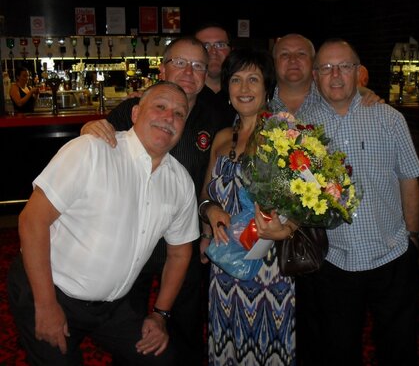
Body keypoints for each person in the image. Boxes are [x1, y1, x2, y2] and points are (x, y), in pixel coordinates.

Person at [7, 81, 199, 365]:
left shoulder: (180, 182)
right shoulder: (93, 150)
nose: (169, 117)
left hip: (113, 306)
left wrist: (160, 314)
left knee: (163, 359)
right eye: (160, 107)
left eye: (179, 113)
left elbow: (180, 252)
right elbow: (32, 221)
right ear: (135, 114)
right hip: (49, 288)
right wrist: (46, 306)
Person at [80, 36, 229, 366]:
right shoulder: (136, 106)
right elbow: (100, 139)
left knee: (187, 319)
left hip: (185, 237)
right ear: (163, 67)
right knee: (129, 322)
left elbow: (219, 175)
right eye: (179, 63)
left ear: (207, 74)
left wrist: (206, 230)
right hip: (133, 233)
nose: (189, 73)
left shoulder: (216, 113)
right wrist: (90, 128)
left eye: (198, 66)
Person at [301, 38, 419, 366]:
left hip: (392, 254)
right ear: (315, 76)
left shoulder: (389, 118)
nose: (336, 74)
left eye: (344, 66)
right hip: (335, 260)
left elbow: (409, 178)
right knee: (338, 349)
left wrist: (413, 237)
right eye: (326, 68)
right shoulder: (302, 126)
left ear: (359, 73)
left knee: (398, 348)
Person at [199, 47, 297, 365]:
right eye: (237, 80)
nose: (244, 88)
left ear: (267, 88)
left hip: (266, 265)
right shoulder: (222, 138)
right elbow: (205, 196)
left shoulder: (284, 136)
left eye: (253, 79)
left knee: (266, 345)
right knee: (227, 341)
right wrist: (208, 217)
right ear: (227, 89)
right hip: (223, 261)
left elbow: (305, 202)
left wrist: (286, 229)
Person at [269, 33, 381, 119]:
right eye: (284, 54)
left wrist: (364, 93)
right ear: (274, 62)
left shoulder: (335, 96)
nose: (293, 59)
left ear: (314, 63)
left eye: (301, 54)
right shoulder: (261, 102)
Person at [194, 22, 235, 127]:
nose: (213, 51)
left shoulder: (244, 94)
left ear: (232, 50)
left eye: (220, 45)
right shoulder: (185, 94)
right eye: (205, 46)